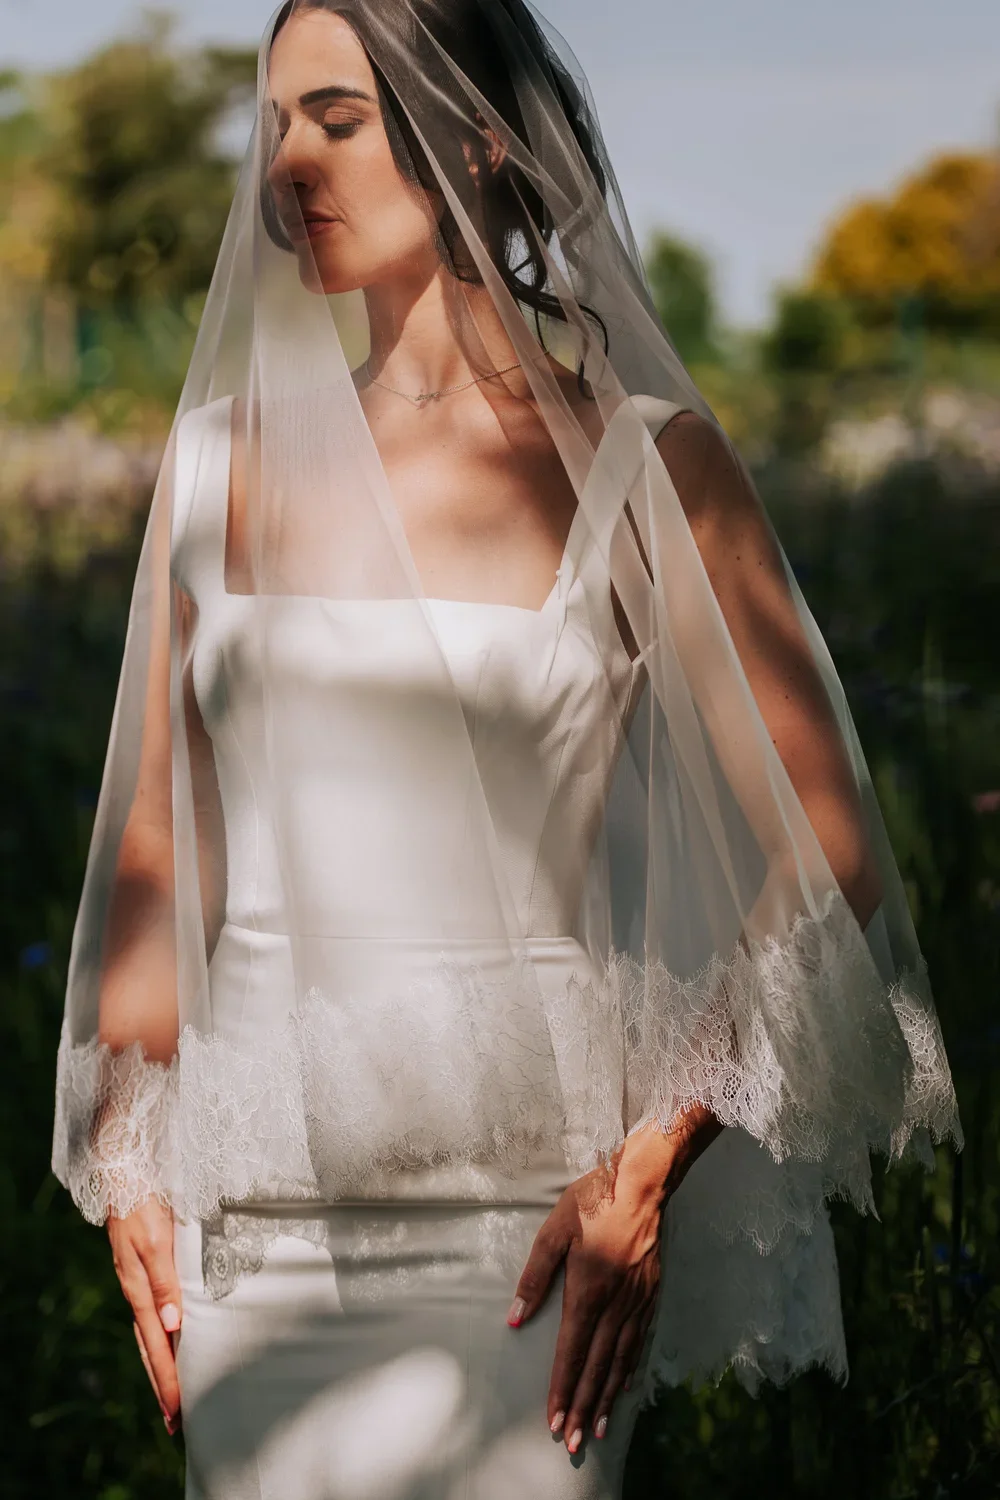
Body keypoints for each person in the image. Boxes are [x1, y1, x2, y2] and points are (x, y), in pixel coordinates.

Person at [52, 2, 961, 1497]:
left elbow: (826, 855)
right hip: (253, 1229)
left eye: (334, 119)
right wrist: (132, 1162)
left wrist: (651, 1163)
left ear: (475, 136)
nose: (287, 162)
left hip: (530, 1249)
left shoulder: (644, 465)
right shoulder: (215, 462)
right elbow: (156, 840)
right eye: (273, 124)